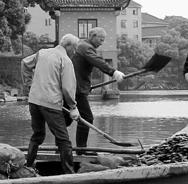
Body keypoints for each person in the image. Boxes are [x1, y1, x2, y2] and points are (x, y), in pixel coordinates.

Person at [21, 33, 80, 174]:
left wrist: (29, 84)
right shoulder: (65, 60)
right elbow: (68, 88)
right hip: (50, 103)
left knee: (38, 135)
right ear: (67, 46)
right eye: (75, 48)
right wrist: (73, 107)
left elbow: (24, 63)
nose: (75, 52)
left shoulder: (42, 53)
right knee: (64, 140)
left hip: (34, 100)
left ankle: (28, 167)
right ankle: (69, 174)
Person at [72, 27, 125, 152]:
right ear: (93, 36)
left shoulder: (82, 45)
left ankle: (63, 147)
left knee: (66, 119)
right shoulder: (86, 47)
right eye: (101, 39)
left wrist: (87, 86)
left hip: (75, 87)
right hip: (76, 90)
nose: (102, 43)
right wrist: (113, 72)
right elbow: (97, 62)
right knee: (87, 117)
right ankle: (81, 149)